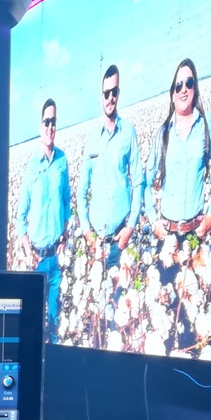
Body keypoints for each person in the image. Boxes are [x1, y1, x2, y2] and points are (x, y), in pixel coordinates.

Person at [146, 58, 211, 352]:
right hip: (167, 238)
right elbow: (145, 181)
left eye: (189, 83)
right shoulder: (163, 133)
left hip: (196, 235)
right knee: (168, 314)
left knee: (197, 314)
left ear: (195, 88)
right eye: (178, 85)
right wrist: (152, 219)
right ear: (172, 92)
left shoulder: (207, 126)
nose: (184, 89)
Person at [76, 64, 143, 272]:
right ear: (101, 96)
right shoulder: (91, 140)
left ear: (118, 94)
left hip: (121, 239)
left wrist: (130, 226)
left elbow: (138, 181)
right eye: (107, 93)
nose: (110, 98)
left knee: (123, 291)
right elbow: (81, 190)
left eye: (114, 92)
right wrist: (87, 232)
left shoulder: (128, 132)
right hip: (96, 243)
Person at [15, 99, 71, 342]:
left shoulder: (62, 161)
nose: (50, 127)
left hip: (56, 259)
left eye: (54, 122)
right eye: (47, 122)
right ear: (40, 127)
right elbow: (20, 216)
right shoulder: (31, 167)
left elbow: (67, 201)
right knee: (35, 323)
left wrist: (65, 235)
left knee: (54, 321)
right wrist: (28, 251)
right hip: (37, 261)